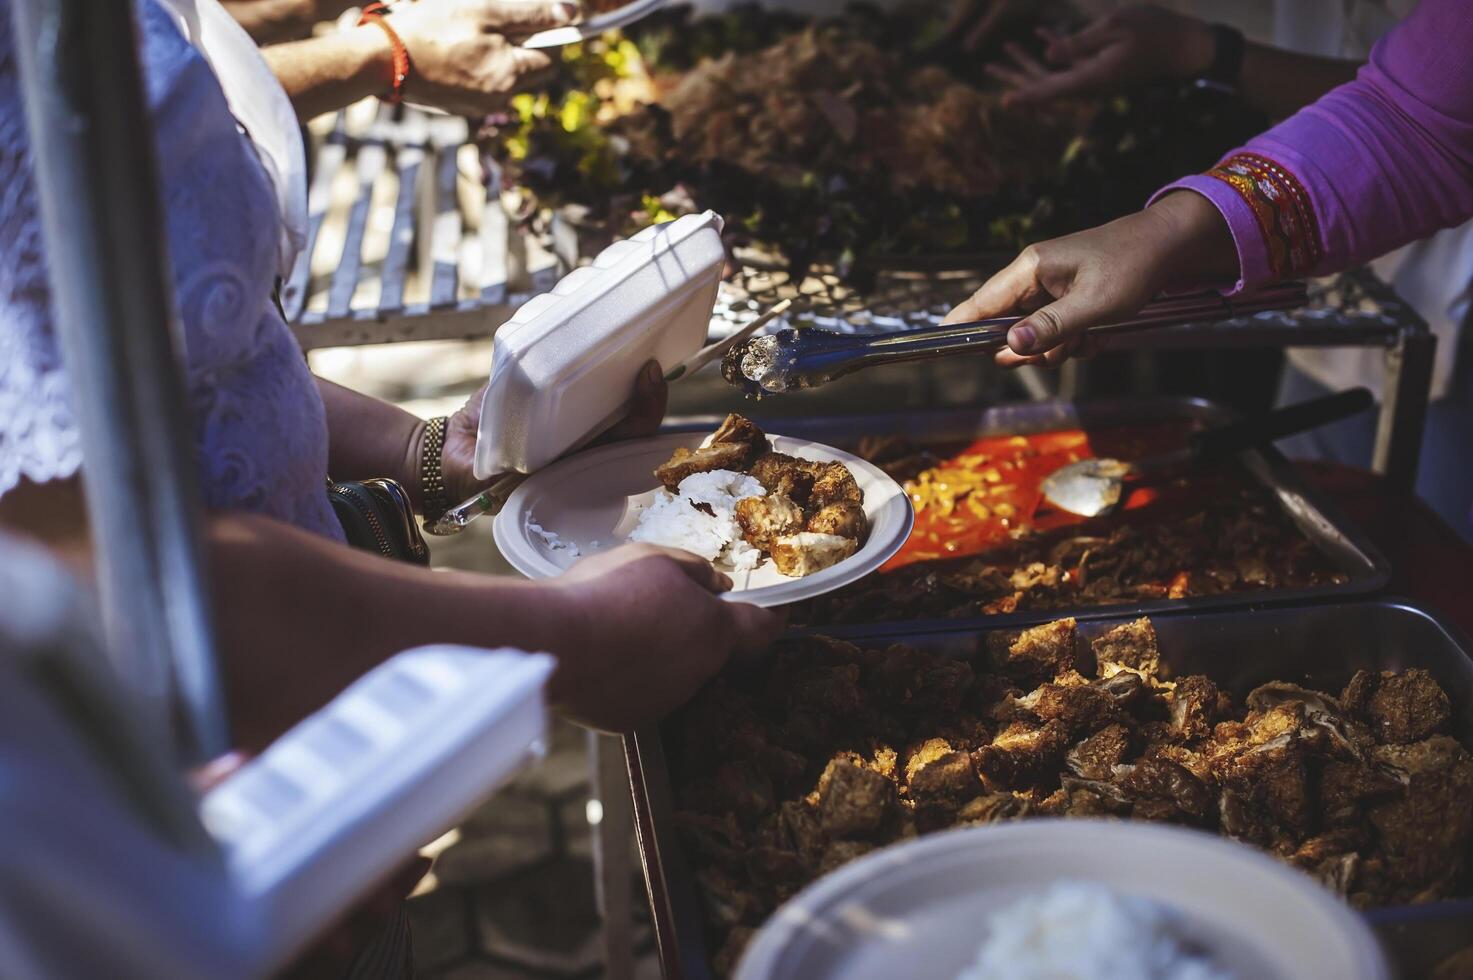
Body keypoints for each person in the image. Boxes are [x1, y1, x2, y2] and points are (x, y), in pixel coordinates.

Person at [0, 0, 782, 753]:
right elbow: (104, 581)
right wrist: (578, 639)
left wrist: (430, 453)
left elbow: (197, 366)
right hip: (180, 811)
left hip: (314, 728)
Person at [946, 0, 1473, 533]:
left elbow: (1421, 124)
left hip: (1451, 301)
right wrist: (1162, 236)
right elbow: (1401, 113)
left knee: (1436, 542)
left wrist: (1202, 54)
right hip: (1328, 245)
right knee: (1309, 512)